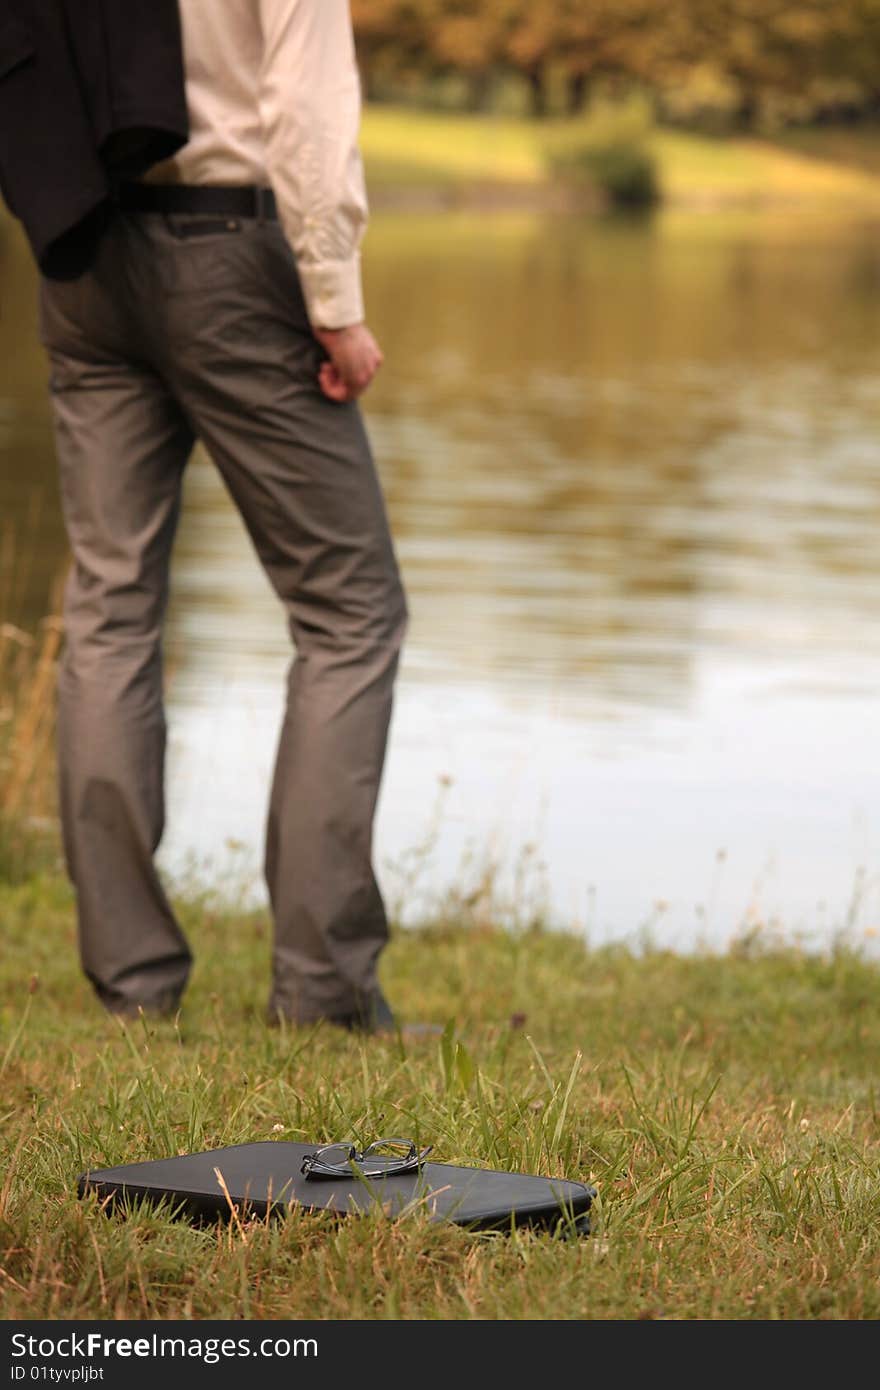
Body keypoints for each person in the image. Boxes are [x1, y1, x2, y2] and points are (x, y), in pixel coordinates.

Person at [36, 0, 408, 1029]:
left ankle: (133, 987)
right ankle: (325, 991)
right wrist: (334, 302)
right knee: (350, 612)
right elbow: (306, 105)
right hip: (229, 249)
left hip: (86, 255)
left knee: (108, 610)